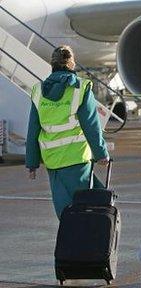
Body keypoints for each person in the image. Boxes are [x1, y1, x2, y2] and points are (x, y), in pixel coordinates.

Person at [26, 45, 109, 219]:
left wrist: (32, 163)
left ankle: (71, 243)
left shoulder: (38, 91)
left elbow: (33, 129)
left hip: (53, 161)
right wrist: (101, 153)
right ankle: (88, 243)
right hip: (76, 158)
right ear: (72, 64)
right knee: (88, 208)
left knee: (65, 210)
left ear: (52, 64)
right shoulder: (80, 88)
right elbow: (91, 125)